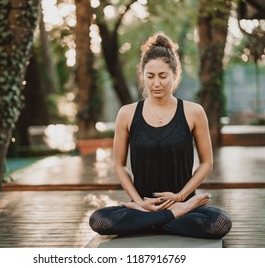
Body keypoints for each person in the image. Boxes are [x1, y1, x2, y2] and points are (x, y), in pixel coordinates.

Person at [89, 32, 232, 239]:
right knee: (98, 220)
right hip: (143, 204)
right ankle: (171, 216)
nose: (156, 83)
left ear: (175, 74)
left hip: (184, 203)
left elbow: (206, 163)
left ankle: (152, 221)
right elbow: (118, 166)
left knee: (220, 223)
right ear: (143, 75)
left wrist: (182, 198)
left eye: (163, 76)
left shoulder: (194, 112)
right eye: (150, 76)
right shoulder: (127, 114)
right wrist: (138, 202)